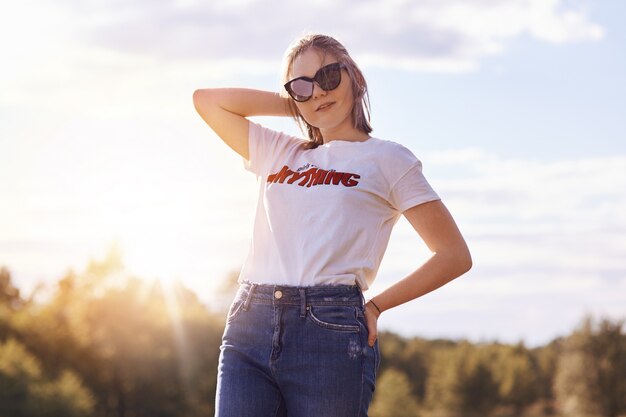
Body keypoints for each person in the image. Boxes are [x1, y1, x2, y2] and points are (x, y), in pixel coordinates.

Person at [193, 33, 472, 417]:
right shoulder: (278, 150)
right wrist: (296, 104)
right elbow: (207, 101)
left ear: (354, 77)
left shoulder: (388, 159)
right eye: (302, 86)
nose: (319, 93)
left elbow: (454, 255)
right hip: (250, 324)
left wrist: (376, 306)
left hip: (331, 330)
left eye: (328, 77)